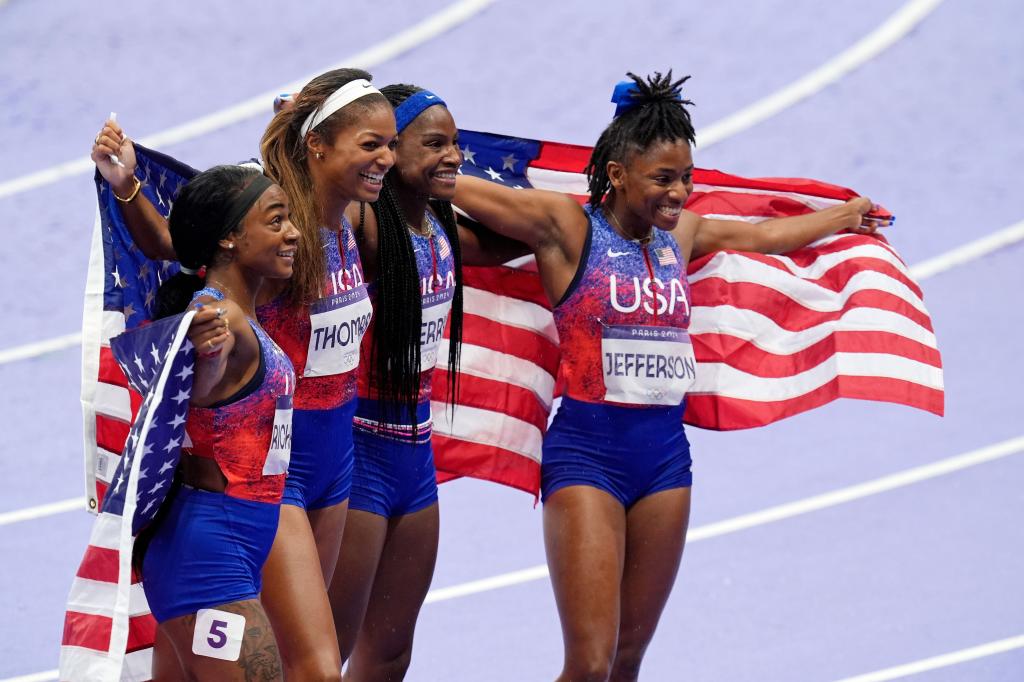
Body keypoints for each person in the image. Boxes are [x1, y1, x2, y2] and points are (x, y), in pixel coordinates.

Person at [451, 71, 889, 682]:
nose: (679, 192)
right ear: (617, 174)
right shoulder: (568, 228)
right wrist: (393, 156)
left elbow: (766, 237)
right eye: (663, 178)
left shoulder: (679, 235)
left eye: (684, 176)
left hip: (664, 464)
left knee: (627, 663)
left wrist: (842, 216)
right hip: (586, 461)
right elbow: (463, 187)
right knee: (589, 663)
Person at [91, 67, 396, 680]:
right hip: (262, 477)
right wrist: (126, 187)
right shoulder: (274, 235)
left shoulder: (357, 222)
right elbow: (186, 244)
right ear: (319, 146)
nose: (386, 157)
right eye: (372, 145)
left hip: (329, 462)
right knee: (307, 664)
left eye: (391, 144)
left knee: (310, 655)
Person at [141, 164, 298, 680]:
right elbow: (203, 385)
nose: (292, 232)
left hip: (227, 547)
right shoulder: (220, 318)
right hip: (207, 561)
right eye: (275, 222)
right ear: (229, 239)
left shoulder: (243, 312)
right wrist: (204, 353)